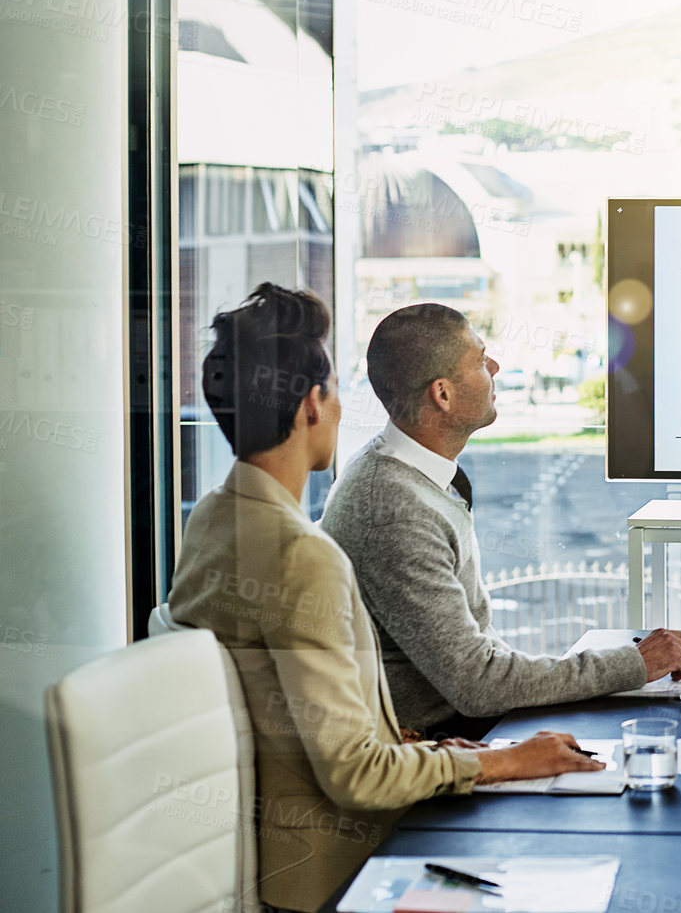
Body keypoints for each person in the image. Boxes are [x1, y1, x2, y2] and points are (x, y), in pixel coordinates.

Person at [169, 284, 601, 913]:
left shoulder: (212, 520)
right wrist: (502, 764)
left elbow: (297, 720)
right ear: (313, 406)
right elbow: (354, 774)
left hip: (274, 846)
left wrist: (421, 748)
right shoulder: (302, 557)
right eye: (337, 391)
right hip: (345, 861)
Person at [321, 302, 681, 739]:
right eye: (480, 359)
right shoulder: (392, 511)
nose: (495, 366)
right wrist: (634, 664)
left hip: (470, 728)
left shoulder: (411, 476)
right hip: (448, 747)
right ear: (442, 394)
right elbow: (478, 684)